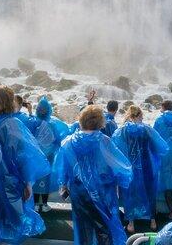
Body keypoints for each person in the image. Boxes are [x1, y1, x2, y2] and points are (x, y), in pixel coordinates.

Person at [0, 86, 50, 245]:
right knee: (15, 220)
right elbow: (23, 155)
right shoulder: (11, 123)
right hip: (10, 180)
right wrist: (28, 182)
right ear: (9, 102)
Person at [54, 105, 132, 245]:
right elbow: (121, 167)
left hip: (79, 191)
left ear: (81, 120)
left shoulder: (68, 142)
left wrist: (63, 185)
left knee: (83, 227)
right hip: (103, 191)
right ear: (100, 122)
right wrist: (120, 183)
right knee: (105, 227)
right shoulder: (104, 141)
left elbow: (62, 168)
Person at [112, 105, 169, 234]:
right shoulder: (147, 129)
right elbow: (161, 146)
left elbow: (115, 150)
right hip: (146, 165)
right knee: (150, 191)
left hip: (129, 167)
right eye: (141, 116)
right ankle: (152, 221)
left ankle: (131, 223)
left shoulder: (121, 131)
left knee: (129, 193)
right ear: (137, 116)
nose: (142, 119)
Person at [29, 96, 69, 212]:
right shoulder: (52, 124)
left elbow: (27, 137)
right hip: (49, 156)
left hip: (36, 156)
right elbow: (58, 139)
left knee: (36, 177)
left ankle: (36, 204)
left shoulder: (34, 122)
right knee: (46, 177)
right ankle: (45, 204)